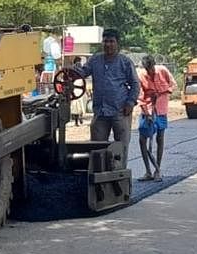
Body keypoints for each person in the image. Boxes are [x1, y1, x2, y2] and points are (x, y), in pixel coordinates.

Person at [70, 28, 139, 157]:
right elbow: (83, 73)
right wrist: (73, 72)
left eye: (111, 41)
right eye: (105, 41)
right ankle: (100, 175)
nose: (108, 44)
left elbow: (135, 84)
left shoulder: (125, 62)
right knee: (97, 149)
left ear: (117, 43)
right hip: (100, 112)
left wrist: (130, 102)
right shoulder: (95, 60)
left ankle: (120, 174)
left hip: (120, 111)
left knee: (121, 148)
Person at [136, 55, 175, 182]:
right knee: (142, 140)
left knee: (159, 138)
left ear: (154, 65)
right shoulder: (141, 75)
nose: (149, 71)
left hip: (161, 109)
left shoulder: (162, 71)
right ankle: (148, 171)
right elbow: (140, 97)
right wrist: (147, 114)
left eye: (151, 68)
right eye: (147, 69)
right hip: (147, 110)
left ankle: (157, 169)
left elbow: (172, 85)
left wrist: (162, 92)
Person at [69, 56, 87, 126]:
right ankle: (80, 117)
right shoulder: (80, 67)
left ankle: (77, 121)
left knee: (76, 104)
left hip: (75, 86)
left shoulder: (72, 68)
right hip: (80, 84)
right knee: (81, 102)